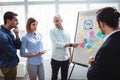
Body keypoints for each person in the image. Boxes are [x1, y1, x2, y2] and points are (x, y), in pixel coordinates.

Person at [87, 7, 120, 80]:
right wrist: (98, 63)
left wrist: (90, 66)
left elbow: (94, 76)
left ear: (102, 24)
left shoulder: (107, 48)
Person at [50, 15, 79, 80]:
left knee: (64, 76)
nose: (55, 23)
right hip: (56, 58)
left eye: (57, 21)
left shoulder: (67, 31)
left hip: (66, 58)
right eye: (54, 21)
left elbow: (69, 46)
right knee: (54, 77)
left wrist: (71, 56)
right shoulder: (52, 31)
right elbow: (56, 44)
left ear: (61, 20)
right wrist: (70, 44)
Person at [0, 11, 21, 80]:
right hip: (7, 66)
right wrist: (14, 47)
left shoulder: (9, 32)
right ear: (8, 21)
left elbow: (18, 46)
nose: (18, 22)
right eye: (16, 20)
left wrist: (17, 35)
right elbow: (12, 52)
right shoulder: (2, 35)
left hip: (12, 63)